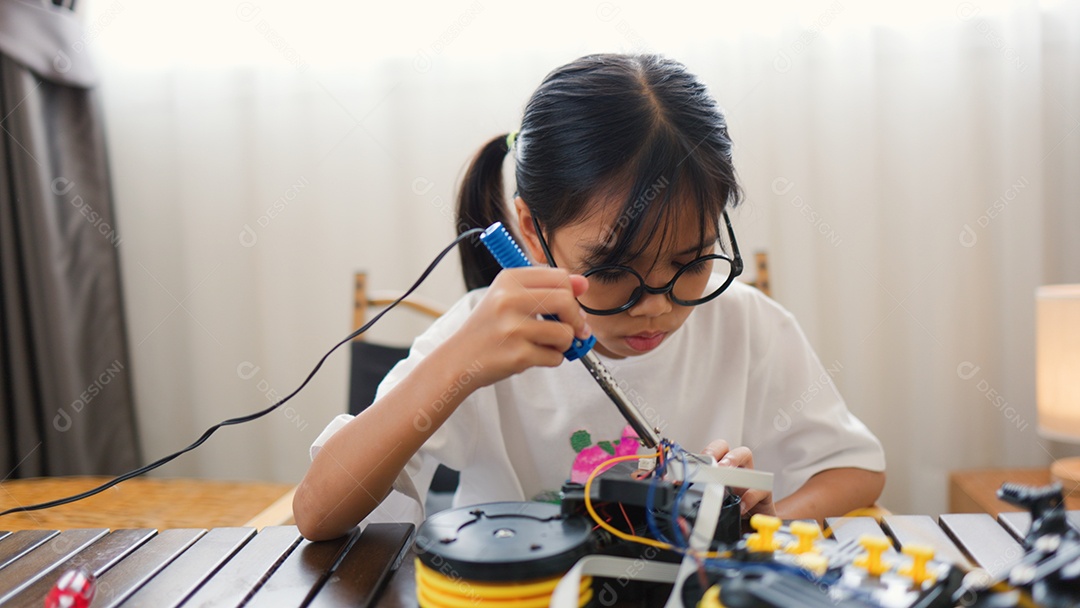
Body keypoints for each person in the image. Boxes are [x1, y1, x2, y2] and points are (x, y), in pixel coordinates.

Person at [293, 53, 885, 542]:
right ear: (531, 229)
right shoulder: (479, 338)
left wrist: (757, 518)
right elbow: (318, 514)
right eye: (610, 268)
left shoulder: (746, 324)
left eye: (692, 261)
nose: (656, 304)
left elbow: (855, 469)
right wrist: (458, 367)